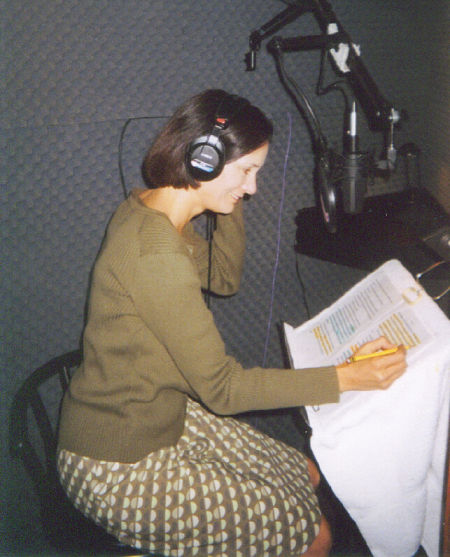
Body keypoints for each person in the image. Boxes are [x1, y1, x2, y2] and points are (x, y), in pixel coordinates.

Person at [57, 89, 407, 557]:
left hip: (159, 416)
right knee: (315, 536)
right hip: (119, 464)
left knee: (304, 471)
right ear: (200, 159)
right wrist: (348, 378)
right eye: (248, 171)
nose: (254, 187)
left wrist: (229, 192)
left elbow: (222, 277)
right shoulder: (155, 251)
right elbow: (223, 391)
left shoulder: (153, 212)